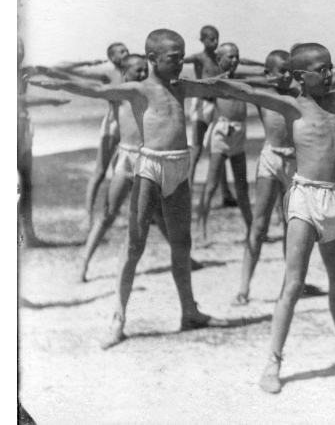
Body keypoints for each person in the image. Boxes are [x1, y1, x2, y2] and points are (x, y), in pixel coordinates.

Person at [200, 43, 335, 394]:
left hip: (333, 198)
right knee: (293, 282)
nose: (331, 74)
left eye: (331, 67)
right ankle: (273, 362)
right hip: (304, 198)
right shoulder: (291, 105)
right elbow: (241, 89)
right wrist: (198, 83)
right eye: (323, 70)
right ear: (302, 77)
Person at [26, 29, 232, 349]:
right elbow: (94, 90)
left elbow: (217, 85)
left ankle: (189, 311)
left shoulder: (181, 87)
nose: (180, 64)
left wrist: (268, 86)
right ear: (152, 60)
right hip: (148, 168)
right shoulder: (137, 90)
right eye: (173, 59)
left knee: (182, 243)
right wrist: (57, 84)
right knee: (134, 245)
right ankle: (118, 319)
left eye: (182, 57)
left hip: (179, 166)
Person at [232, 50, 324, 305]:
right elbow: (232, 81)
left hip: (295, 163)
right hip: (271, 159)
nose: (286, 76)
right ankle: (243, 288)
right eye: (280, 71)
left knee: (291, 226)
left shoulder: (299, 97)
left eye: (289, 71)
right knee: (259, 225)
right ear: (268, 74)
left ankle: (292, 283)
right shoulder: (263, 97)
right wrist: (261, 77)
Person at [76, 55, 171, 282]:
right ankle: (84, 261)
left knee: (158, 213)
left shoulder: (151, 93)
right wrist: (61, 84)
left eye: (144, 71)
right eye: (137, 71)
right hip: (126, 159)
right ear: (124, 74)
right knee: (108, 213)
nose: (142, 75)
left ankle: (184, 256)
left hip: (148, 159)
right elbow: (91, 89)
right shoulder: (118, 95)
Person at [182, 25, 263, 208]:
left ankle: (225, 193)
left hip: (219, 104)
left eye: (216, 37)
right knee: (196, 150)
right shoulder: (200, 57)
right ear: (202, 40)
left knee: (219, 150)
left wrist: (261, 65)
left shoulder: (223, 58)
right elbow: (182, 60)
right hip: (203, 104)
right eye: (210, 38)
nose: (215, 41)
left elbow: (245, 62)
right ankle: (185, 193)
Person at [53, 42, 130, 228]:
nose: (126, 53)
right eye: (121, 52)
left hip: (131, 127)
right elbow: (59, 68)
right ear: (112, 58)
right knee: (100, 172)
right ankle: (87, 215)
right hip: (113, 125)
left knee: (124, 172)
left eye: (127, 50)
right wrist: (88, 62)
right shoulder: (107, 74)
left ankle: (111, 211)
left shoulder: (137, 72)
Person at [196, 43, 255, 240]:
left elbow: (266, 82)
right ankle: (201, 228)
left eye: (237, 57)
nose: (235, 61)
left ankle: (251, 229)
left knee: (242, 187)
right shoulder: (215, 83)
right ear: (219, 60)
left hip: (239, 133)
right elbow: (194, 90)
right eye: (230, 57)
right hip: (221, 133)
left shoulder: (243, 81)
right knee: (211, 185)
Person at [17, 39, 72, 248]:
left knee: (26, 183)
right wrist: (51, 100)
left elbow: (53, 71)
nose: (20, 51)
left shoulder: (26, 71)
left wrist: (83, 77)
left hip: (22, 128)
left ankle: (29, 236)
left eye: (22, 47)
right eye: (15, 47)